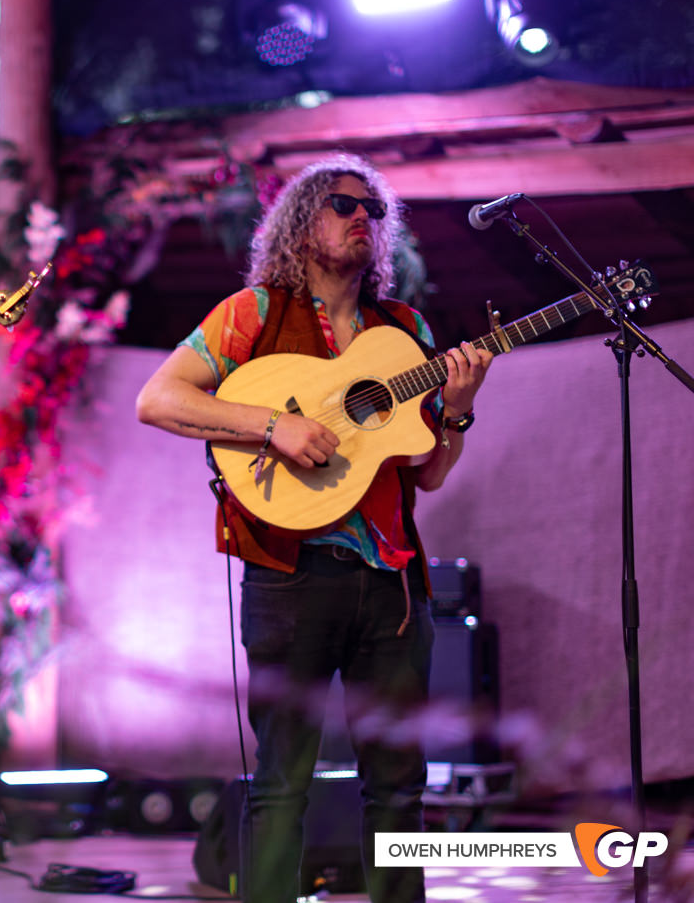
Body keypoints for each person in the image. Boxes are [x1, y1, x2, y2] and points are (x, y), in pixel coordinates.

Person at [135, 153, 491, 903]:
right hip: (290, 575)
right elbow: (159, 399)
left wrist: (456, 410)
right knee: (281, 783)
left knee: (398, 787)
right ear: (302, 221)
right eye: (342, 204)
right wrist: (275, 427)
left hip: (393, 587)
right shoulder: (253, 314)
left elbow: (426, 471)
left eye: (375, 210)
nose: (363, 216)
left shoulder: (406, 331)